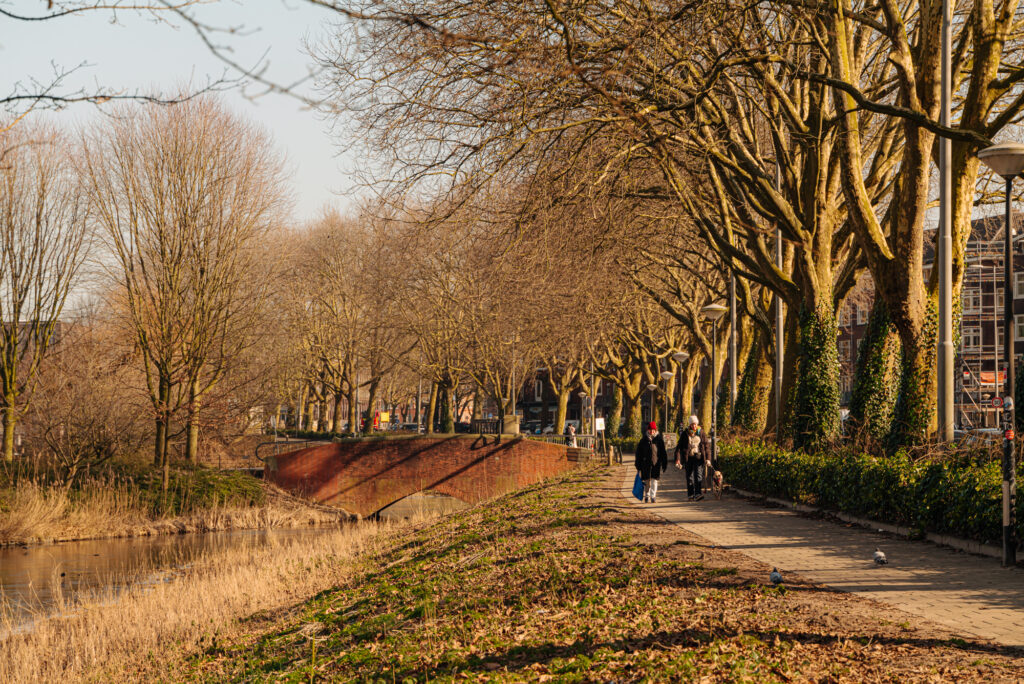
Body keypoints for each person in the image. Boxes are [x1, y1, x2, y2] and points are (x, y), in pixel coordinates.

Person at [675, 415, 710, 501]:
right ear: (690, 424)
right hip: (689, 458)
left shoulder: (701, 432)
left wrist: (708, 459)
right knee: (689, 477)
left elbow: (706, 446)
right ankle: (690, 494)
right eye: (692, 424)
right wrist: (678, 460)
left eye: (695, 424)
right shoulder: (685, 433)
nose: (694, 426)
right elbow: (679, 447)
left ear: (697, 424)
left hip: (699, 457)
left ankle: (698, 493)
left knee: (698, 476)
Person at [634, 421, 668, 503]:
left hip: (655, 463)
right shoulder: (643, 440)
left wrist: (664, 463)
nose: (652, 431)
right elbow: (638, 453)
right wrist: (638, 464)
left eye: (653, 430)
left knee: (654, 481)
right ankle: (647, 495)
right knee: (646, 481)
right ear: (648, 430)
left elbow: (663, 453)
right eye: (650, 430)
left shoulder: (659, 440)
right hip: (645, 464)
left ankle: (653, 496)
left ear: (655, 430)